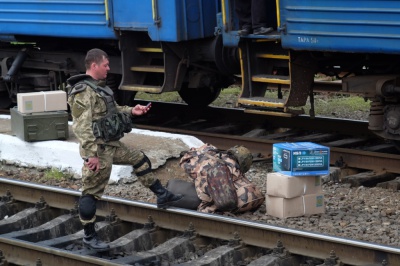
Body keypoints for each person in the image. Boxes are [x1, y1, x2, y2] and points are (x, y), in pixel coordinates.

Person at [66, 48, 183, 251]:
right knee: (90, 193)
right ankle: (89, 237)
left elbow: (113, 110)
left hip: (112, 145)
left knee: (139, 158)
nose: (109, 69)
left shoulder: (98, 88)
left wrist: (132, 111)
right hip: (99, 150)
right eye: (106, 65)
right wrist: (91, 155)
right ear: (94, 65)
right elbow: (81, 126)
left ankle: (162, 194)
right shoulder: (83, 92)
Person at [178, 143, 264, 214]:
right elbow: (207, 197)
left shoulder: (215, 151)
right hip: (206, 182)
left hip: (192, 160)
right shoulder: (233, 167)